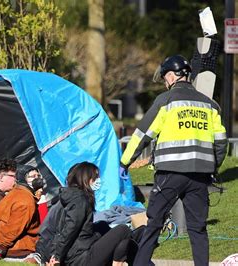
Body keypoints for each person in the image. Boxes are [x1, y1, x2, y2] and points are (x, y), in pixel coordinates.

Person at [120, 55, 228, 266]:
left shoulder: (166, 101)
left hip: (169, 174)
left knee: (154, 225)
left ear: (171, 75)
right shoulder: (210, 105)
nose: (164, 82)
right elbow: (221, 143)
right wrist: (214, 167)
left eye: (164, 78)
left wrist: (124, 162)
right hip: (200, 176)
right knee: (198, 229)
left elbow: (142, 135)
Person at [44, 162, 133, 266]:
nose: (99, 180)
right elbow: (70, 230)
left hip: (78, 253)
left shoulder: (74, 198)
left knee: (102, 226)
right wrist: (57, 256)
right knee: (123, 230)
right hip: (81, 259)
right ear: (85, 178)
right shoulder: (79, 200)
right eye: (95, 177)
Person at [0, 164, 43, 261]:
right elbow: (12, 229)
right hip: (18, 254)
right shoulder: (26, 200)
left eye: (38, 176)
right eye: (32, 177)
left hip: (5, 251)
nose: (37, 179)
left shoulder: (11, 195)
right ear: (23, 179)